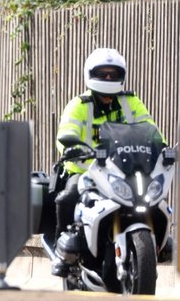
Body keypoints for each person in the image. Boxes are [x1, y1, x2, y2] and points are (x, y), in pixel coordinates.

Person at [49, 47, 162, 276]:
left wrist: (163, 147)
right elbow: (66, 132)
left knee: (154, 198)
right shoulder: (79, 105)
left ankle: (160, 243)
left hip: (123, 170)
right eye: (103, 73)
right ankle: (63, 255)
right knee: (68, 196)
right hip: (85, 170)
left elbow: (151, 131)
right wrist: (71, 148)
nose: (109, 78)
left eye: (113, 73)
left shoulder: (132, 102)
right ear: (90, 74)